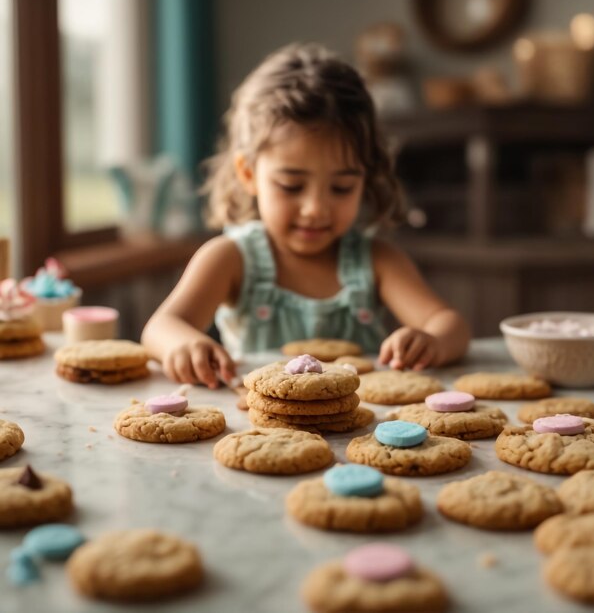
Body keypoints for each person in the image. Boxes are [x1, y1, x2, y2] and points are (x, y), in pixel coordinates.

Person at [141, 43, 470, 388]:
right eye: (291, 185)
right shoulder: (230, 259)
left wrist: (431, 341)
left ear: (365, 179)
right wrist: (185, 344)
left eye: (341, 188)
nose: (315, 208)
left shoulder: (376, 261)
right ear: (249, 174)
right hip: (262, 433)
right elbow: (161, 327)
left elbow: (450, 324)